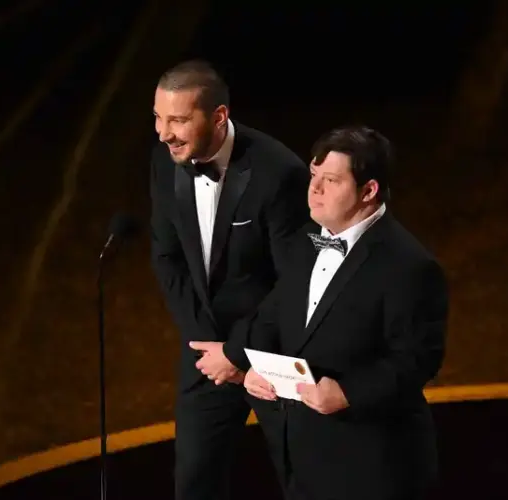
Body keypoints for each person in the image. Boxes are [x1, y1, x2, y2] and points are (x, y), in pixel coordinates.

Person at [241, 125, 449, 500]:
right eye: (314, 175)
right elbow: (275, 311)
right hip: (304, 462)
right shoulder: (307, 239)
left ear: (368, 191)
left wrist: (348, 393)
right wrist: (255, 364)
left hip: (373, 469)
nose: (314, 189)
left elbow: (418, 358)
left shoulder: (409, 267)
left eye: (332, 180)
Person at [149, 59, 310, 500]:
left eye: (178, 120)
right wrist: (209, 348)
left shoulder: (279, 174)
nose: (163, 133)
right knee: (194, 484)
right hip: (207, 354)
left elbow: (297, 283)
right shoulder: (165, 162)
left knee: (305, 480)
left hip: (275, 355)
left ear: (219, 116)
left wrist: (238, 354)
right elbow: (167, 258)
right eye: (158, 118)